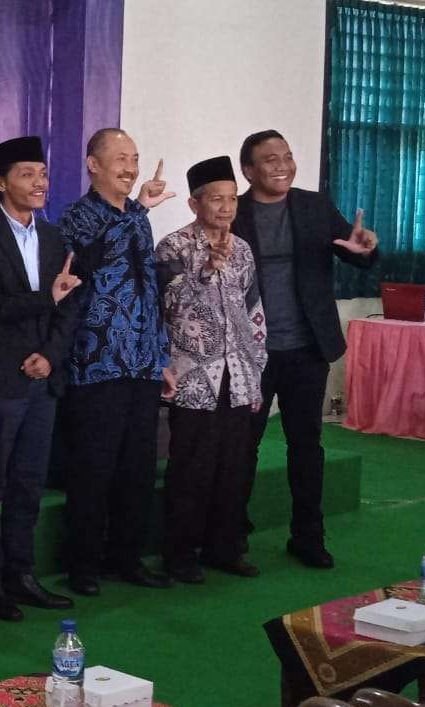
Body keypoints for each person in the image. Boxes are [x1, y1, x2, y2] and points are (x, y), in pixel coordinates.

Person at [231, 130, 378, 569]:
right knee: (243, 447)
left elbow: (353, 251)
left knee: (306, 445)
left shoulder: (314, 206)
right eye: (269, 159)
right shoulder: (233, 212)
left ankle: (309, 535)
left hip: (306, 348)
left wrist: (365, 250)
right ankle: (232, 532)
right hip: (250, 353)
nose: (282, 165)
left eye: (288, 156)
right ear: (249, 170)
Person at [0, 136, 81, 621]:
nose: (39, 183)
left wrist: (50, 356)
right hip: (1, 378)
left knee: (29, 482)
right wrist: (45, 300)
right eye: (27, 174)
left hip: (42, 379)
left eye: (43, 174)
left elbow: (69, 303)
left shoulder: (53, 238)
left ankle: (21, 574)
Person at [58, 128, 176, 597]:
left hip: (142, 363)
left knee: (137, 467)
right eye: (120, 159)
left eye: (135, 158)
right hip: (97, 361)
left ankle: (125, 557)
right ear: (93, 164)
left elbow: (149, 287)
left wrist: (161, 355)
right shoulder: (76, 216)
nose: (130, 168)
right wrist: (141, 209)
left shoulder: (138, 219)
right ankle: (83, 565)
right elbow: (91, 260)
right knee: (94, 468)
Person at [156, 156, 267, 584]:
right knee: (191, 469)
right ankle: (180, 555)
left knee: (234, 468)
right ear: (193, 203)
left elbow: (254, 313)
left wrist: (257, 369)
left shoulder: (242, 249)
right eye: (215, 199)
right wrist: (205, 271)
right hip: (192, 377)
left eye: (232, 199)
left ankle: (226, 548)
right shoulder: (173, 247)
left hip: (238, 376)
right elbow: (166, 304)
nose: (225, 207)